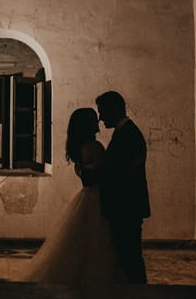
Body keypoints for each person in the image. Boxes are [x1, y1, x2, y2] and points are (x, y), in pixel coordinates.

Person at [12, 107, 125, 287]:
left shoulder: (79, 148)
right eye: (93, 120)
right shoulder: (94, 147)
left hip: (87, 197)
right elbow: (108, 173)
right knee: (98, 244)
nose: (97, 122)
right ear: (87, 125)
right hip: (98, 198)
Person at [89, 90, 150, 284]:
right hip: (127, 206)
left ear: (114, 108)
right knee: (128, 255)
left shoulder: (128, 135)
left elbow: (115, 172)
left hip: (126, 206)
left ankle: (137, 294)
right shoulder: (126, 132)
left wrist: (88, 174)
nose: (100, 118)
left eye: (102, 111)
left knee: (129, 257)